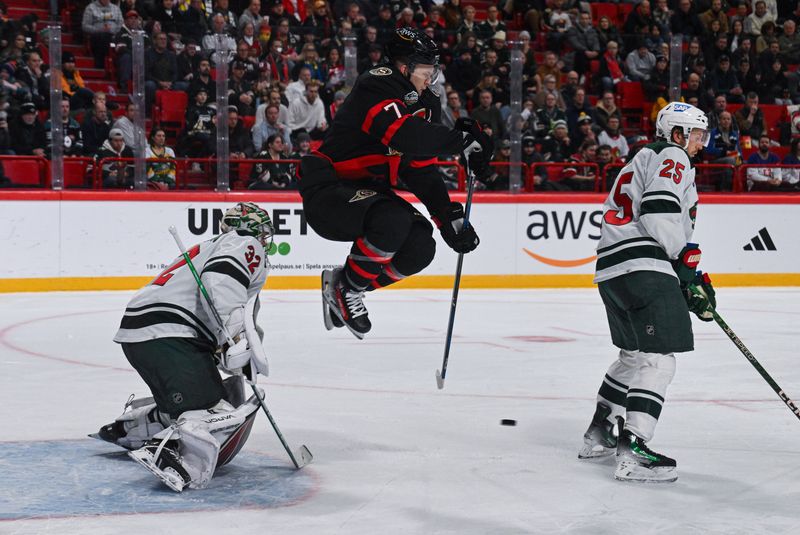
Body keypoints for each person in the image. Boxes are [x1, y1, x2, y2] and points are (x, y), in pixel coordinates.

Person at [298, 27, 492, 338]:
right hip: (329, 190)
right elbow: (402, 134)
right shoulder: (377, 82)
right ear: (405, 67)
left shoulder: (426, 103)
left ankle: (348, 287)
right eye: (427, 70)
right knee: (394, 218)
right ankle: (347, 289)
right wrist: (461, 141)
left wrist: (446, 217)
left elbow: (420, 169)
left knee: (421, 246)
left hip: (370, 195)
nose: (431, 79)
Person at [94, 202, 273, 492]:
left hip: (147, 333)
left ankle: (133, 428)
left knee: (197, 400)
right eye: (264, 233)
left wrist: (236, 344)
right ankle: (175, 455)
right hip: (170, 335)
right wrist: (236, 339)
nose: (266, 240)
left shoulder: (212, 245)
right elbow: (221, 282)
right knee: (215, 416)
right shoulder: (245, 242)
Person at [579, 102, 715, 484]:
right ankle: (633, 448)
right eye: (696, 135)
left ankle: (600, 433)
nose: (701, 144)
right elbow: (658, 212)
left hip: (612, 270)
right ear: (676, 133)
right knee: (658, 359)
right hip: (644, 266)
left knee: (634, 354)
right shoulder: (673, 155)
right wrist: (685, 264)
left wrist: (684, 272)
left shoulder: (642, 158)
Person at [81, 0, 123, 69]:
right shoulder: (90, 8)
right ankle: (101, 65)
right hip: (98, 35)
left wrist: (112, 30)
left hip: (114, 35)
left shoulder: (116, 9)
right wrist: (100, 30)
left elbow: (121, 24)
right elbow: (85, 26)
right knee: (102, 37)